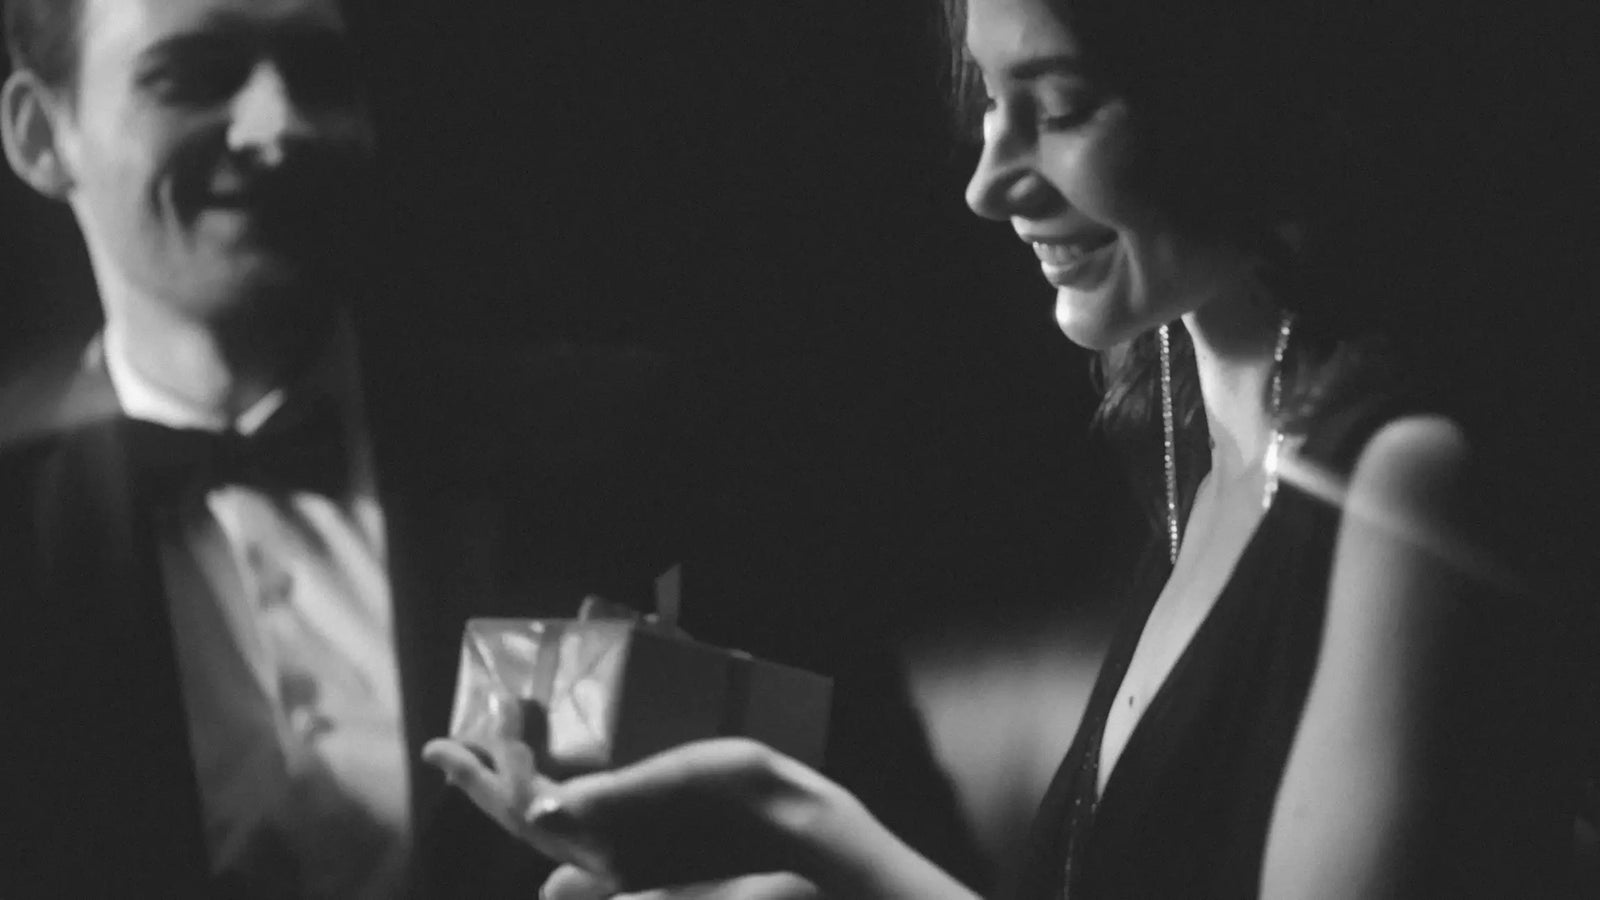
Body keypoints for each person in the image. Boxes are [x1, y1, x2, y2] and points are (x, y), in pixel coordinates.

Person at [424, 0, 1593, 896]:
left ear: (1241, 93)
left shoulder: (1401, 479)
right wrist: (805, 859)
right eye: (989, 99)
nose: (989, 183)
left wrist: (809, 832)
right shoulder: (1190, 465)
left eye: (1062, 105)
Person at [0, 0, 693, 895]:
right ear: (41, 136)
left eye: (318, 72)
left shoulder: (610, 448)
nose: (280, 125)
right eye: (193, 77)